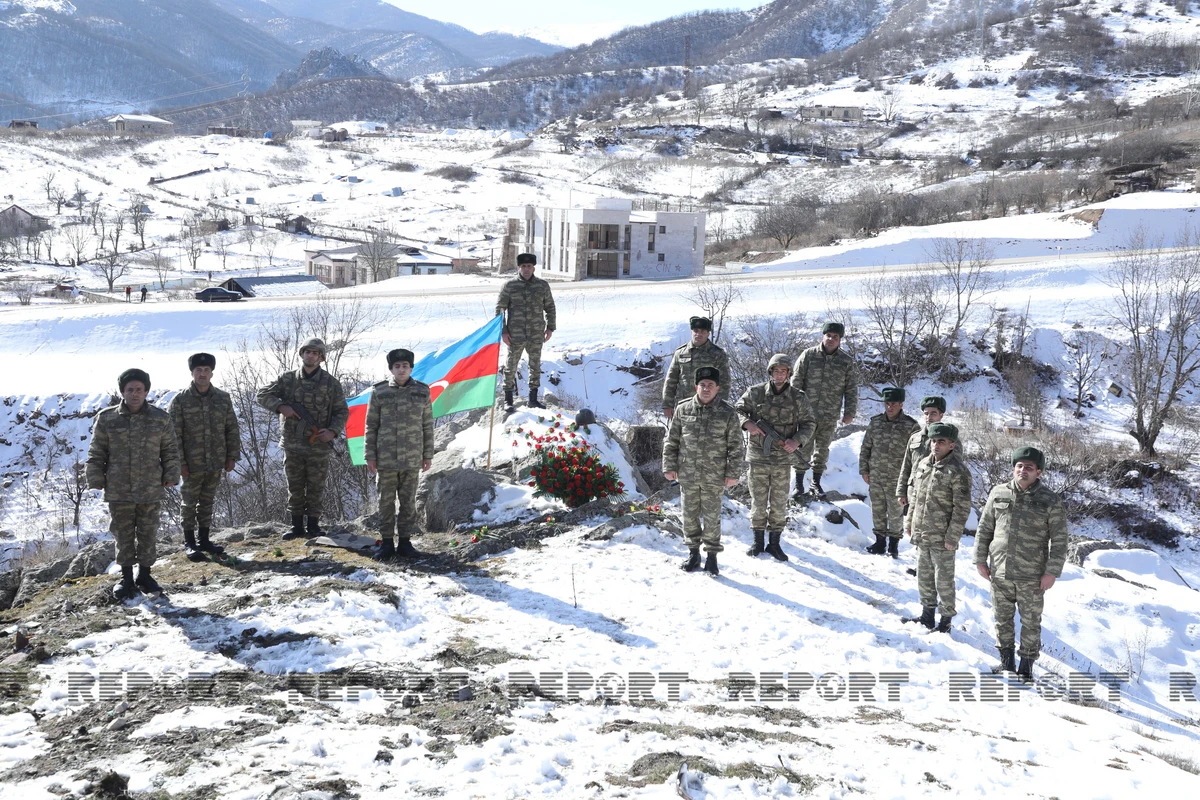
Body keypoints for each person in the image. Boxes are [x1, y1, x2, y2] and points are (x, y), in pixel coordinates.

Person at [974, 446, 1068, 682]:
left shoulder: (1049, 500)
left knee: (1031, 623)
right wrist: (979, 560)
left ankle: (1025, 669)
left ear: (1039, 472)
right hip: (1000, 571)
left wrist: (1052, 572)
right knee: (1002, 619)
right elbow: (985, 528)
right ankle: (1006, 664)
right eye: (1019, 466)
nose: (1022, 471)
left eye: (1029, 467)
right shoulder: (998, 493)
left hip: (1032, 576)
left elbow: (1059, 540)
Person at [86, 369, 180, 599]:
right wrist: (96, 478)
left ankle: (145, 576)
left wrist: (171, 474)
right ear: (123, 392)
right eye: (130, 390)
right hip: (119, 488)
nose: (135, 394)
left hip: (150, 487)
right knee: (123, 534)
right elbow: (97, 450)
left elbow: (170, 450)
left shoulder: (160, 418)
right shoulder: (107, 418)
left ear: (146, 391)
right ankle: (126, 578)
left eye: (139, 389)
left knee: (148, 533)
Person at [256, 338, 349, 539]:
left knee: (316, 486)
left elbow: (342, 411)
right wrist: (281, 407)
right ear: (302, 354)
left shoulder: (331, 383)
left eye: (315, 353)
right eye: (307, 351)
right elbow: (262, 394)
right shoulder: (288, 379)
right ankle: (296, 526)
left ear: (321, 358)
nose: (311, 355)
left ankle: (313, 526)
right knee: (295, 485)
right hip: (293, 443)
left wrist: (332, 431)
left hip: (319, 444)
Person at [662, 366, 743, 576]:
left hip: (714, 475)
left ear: (718, 388)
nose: (706, 389)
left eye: (711, 385)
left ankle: (712, 557)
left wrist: (733, 472)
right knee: (688, 516)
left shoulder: (727, 412)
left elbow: (736, 446)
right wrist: (669, 466)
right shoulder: (683, 409)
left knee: (712, 517)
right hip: (687, 473)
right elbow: (672, 441)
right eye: (703, 385)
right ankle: (693, 553)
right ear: (696, 386)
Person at [735, 353, 815, 561]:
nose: (780, 375)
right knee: (758, 501)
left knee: (779, 502)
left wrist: (796, 440)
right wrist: (747, 424)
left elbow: (809, 423)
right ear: (770, 372)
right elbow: (737, 410)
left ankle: (775, 544)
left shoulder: (798, 397)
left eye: (784, 371)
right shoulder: (756, 393)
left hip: (782, 459)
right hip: (758, 456)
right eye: (776, 370)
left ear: (789, 373)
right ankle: (757, 542)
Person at [901, 422, 972, 633]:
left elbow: (962, 508)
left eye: (941, 441)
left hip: (943, 537)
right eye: (933, 441)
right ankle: (927, 616)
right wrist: (909, 522)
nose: (935, 445)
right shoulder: (923, 464)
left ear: (951, 445)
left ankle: (945, 622)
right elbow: (915, 496)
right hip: (922, 532)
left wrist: (953, 537)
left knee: (944, 580)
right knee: (924, 577)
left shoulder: (958, 471)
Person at [169, 353, 241, 558]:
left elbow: (231, 428)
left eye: (206, 370)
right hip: (190, 464)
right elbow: (174, 435)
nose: (202, 374)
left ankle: (204, 540)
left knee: (208, 502)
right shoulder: (180, 400)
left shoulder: (222, 398)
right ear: (192, 373)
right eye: (198, 370)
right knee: (189, 502)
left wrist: (231, 456)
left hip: (215, 460)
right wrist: (179, 462)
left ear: (212, 373)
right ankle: (189, 543)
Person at [365, 348, 434, 561]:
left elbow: (427, 425)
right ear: (391, 369)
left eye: (405, 366)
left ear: (411, 368)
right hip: (385, 458)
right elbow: (371, 425)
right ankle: (386, 543)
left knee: (408, 502)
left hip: (412, 458)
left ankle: (405, 542)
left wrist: (427, 455)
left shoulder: (422, 391)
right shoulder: (380, 392)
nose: (401, 369)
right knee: (385, 502)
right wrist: (370, 455)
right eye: (397, 366)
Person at [791, 322, 858, 499]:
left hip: (829, 414)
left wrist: (849, 412)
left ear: (840, 340)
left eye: (835, 337)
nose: (831, 339)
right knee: (803, 447)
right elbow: (796, 382)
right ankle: (799, 485)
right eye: (828, 335)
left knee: (822, 449)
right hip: (807, 414)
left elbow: (851, 389)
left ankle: (816, 482)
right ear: (823, 336)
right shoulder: (808, 355)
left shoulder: (846, 362)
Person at [861, 387, 920, 557]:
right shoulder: (876, 422)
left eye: (893, 403)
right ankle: (879, 542)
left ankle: (893, 545)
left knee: (895, 513)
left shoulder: (911, 426)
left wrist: (910, 478)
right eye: (887, 403)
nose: (890, 407)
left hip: (898, 478)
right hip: (876, 475)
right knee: (877, 509)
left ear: (901, 404)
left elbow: (915, 455)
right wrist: (864, 470)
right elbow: (866, 447)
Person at [496, 253, 556, 412]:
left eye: (529, 266)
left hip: (536, 333)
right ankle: (508, 400)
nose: (526, 269)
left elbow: (550, 307)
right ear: (519, 268)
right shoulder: (510, 286)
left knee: (535, 366)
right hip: (515, 334)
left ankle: (533, 399)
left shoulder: (542, 285)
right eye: (523, 266)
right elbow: (500, 309)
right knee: (511, 366)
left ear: (534, 267)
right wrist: (503, 331)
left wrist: (550, 327)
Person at [662, 316, 730, 418]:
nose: (698, 334)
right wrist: (667, 404)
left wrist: (720, 407)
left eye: (703, 331)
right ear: (691, 332)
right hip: (684, 406)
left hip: (709, 407)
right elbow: (671, 380)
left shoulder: (717, 354)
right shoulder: (680, 353)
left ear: (708, 333)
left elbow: (725, 383)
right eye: (696, 330)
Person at [897, 396, 947, 510]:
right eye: (926, 413)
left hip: (937, 496)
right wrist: (901, 492)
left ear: (941, 415)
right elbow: (906, 466)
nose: (929, 417)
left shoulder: (949, 440)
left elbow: (955, 469)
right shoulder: (915, 437)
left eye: (933, 413)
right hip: (913, 494)